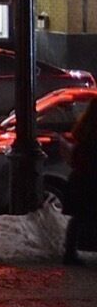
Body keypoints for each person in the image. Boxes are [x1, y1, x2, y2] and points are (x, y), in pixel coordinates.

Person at [64, 99, 97, 267]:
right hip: (91, 181)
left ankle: (69, 253)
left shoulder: (83, 131)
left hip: (80, 180)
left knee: (78, 218)